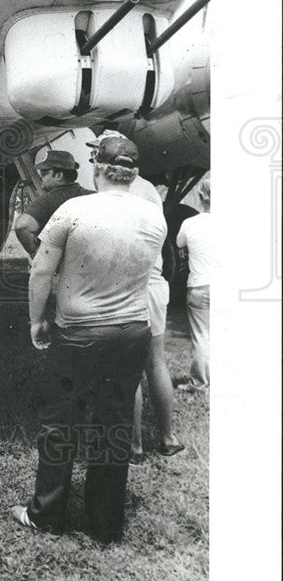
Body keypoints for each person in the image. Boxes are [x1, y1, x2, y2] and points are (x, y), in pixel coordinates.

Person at [13, 135, 166, 544]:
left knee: (60, 422)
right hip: (133, 329)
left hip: (80, 330)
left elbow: (41, 271)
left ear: (97, 167)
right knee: (114, 424)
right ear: (133, 174)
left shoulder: (73, 209)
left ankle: (46, 512)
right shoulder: (154, 216)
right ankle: (105, 522)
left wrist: (35, 321)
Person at [87, 130, 184, 461]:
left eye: (97, 154)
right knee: (156, 361)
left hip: (126, 286)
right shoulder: (148, 192)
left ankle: (134, 444)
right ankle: (169, 437)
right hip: (153, 281)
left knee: (126, 369)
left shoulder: (107, 194)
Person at [13, 150, 92, 256]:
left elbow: (22, 226)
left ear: (59, 175)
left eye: (44, 173)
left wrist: (35, 252)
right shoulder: (93, 196)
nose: (41, 177)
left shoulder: (47, 201)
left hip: (57, 266)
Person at [176, 176, 211, 392]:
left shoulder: (190, 223)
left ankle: (200, 382)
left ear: (200, 197)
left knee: (202, 336)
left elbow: (179, 242)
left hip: (199, 285)